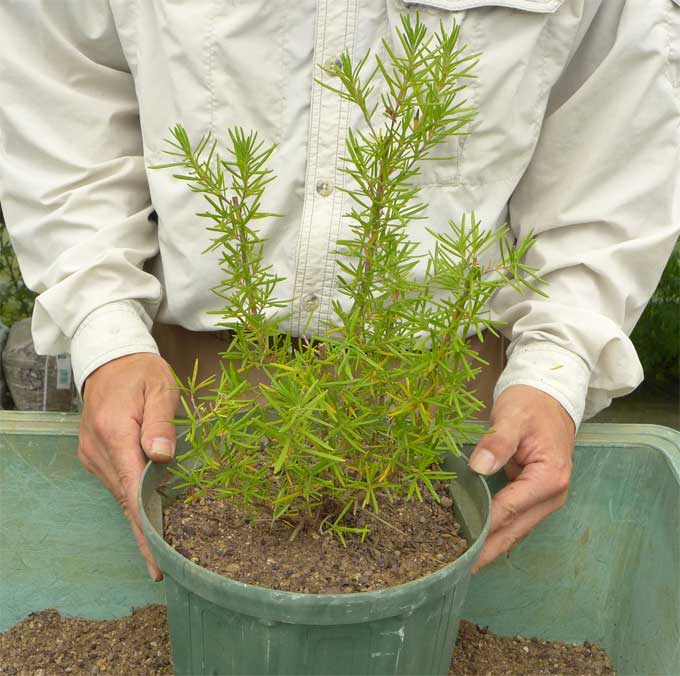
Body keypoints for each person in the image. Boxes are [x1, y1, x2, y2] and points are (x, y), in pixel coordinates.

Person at [0, 1, 678, 582]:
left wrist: (558, 368)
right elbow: (61, 84)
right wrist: (105, 331)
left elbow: (615, 133)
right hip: (184, 388)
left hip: (451, 393)